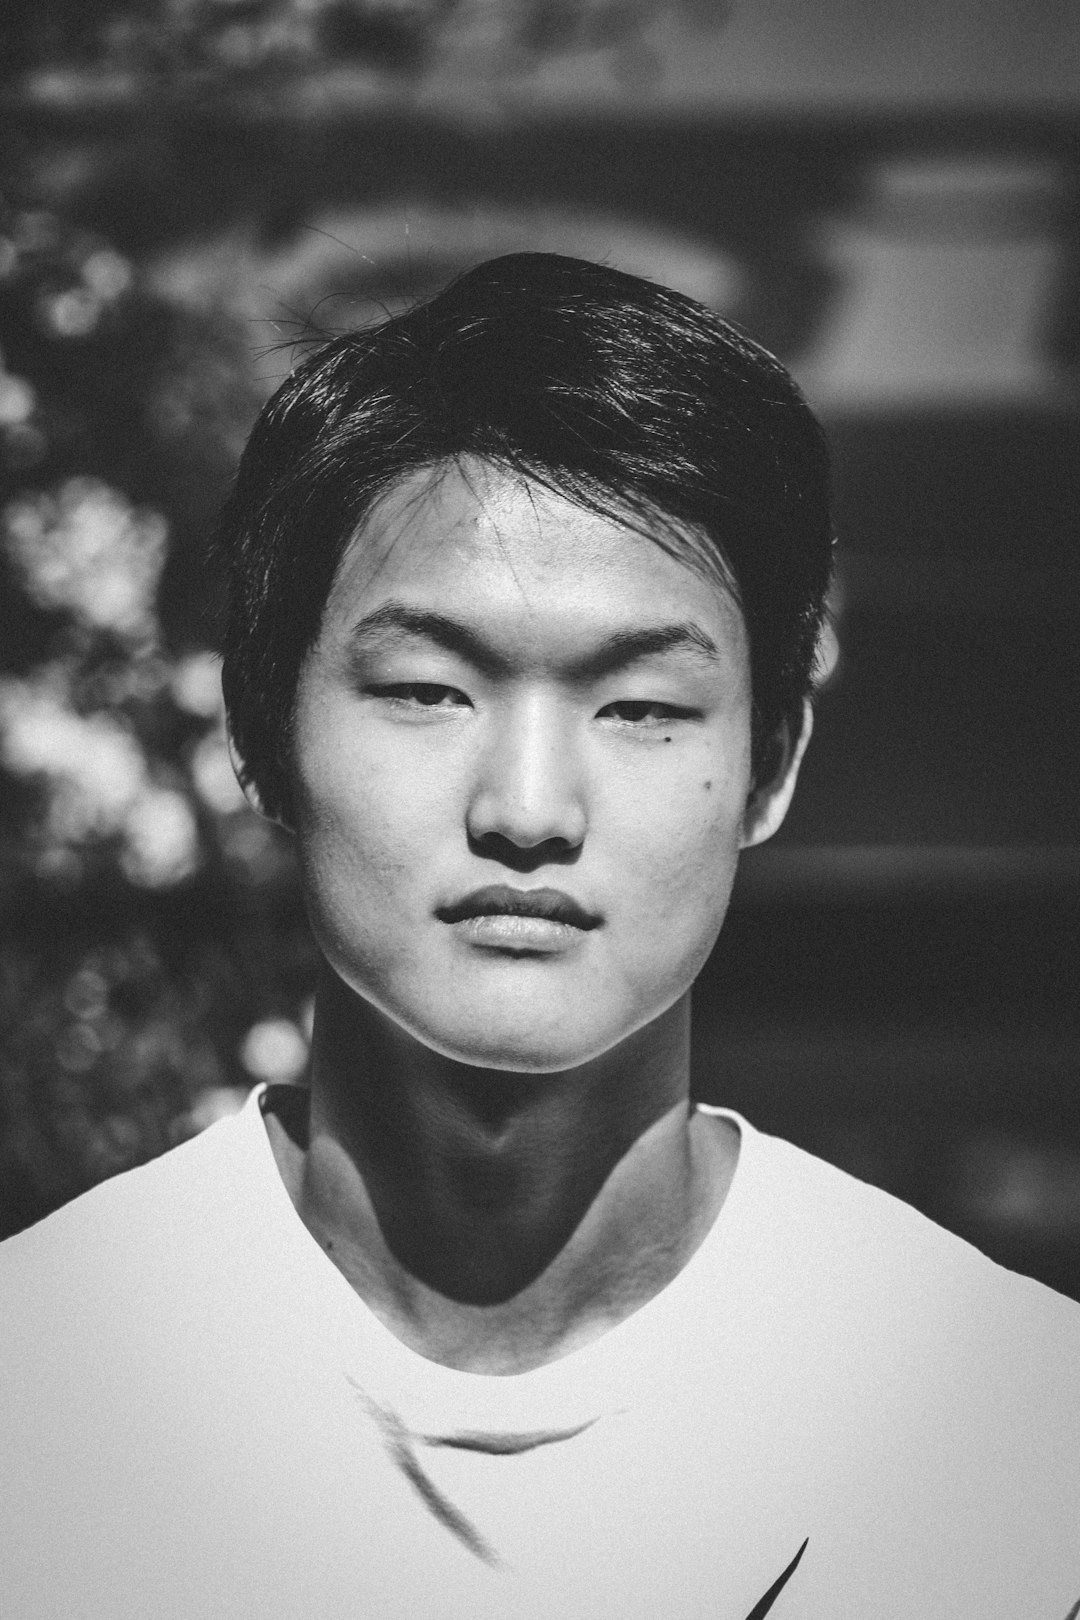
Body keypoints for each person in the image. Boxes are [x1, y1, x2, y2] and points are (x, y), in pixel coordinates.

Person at [1, 253, 1078, 1620]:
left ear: (776, 759)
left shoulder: (1010, 1440)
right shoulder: (39, 1399)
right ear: (262, 734)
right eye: (427, 689)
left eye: (639, 708)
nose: (527, 809)